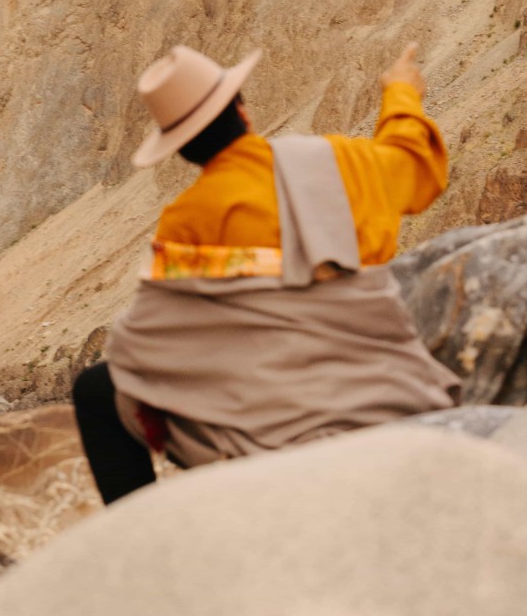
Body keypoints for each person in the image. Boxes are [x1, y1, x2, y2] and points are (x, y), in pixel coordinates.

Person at [73, 41, 460, 504]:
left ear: (181, 150)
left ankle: (136, 545)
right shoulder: (342, 162)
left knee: (96, 389)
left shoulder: (186, 220)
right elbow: (418, 172)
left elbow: (155, 342)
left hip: (264, 420)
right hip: (382, 388)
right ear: (243, 109)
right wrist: (400, 93)